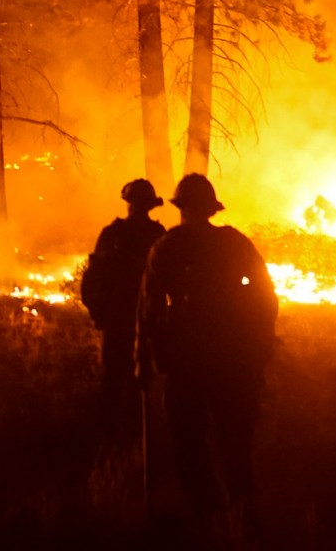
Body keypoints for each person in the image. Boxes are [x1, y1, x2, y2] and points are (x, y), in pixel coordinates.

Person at [139, 173, 279, 535]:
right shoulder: (234, 244)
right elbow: (265, 296)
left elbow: (150, 306)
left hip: (189, 363)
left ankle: (209, 513)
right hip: (233, 361)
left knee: (188, 440)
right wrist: (260, 342)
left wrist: (146, 356)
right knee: (235, 440)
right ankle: (242, 513)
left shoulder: (168, 247)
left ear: (181, 208)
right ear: (211, 208)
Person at [79, 178, 167, 429]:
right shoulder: (158, 236)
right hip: (143, 318)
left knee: (115, 377)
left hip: (121, 318)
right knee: (139, 378)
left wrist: (97, 312)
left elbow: (93, 277)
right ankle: (134, 430)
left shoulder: (113, 234)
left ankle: (113, 430)